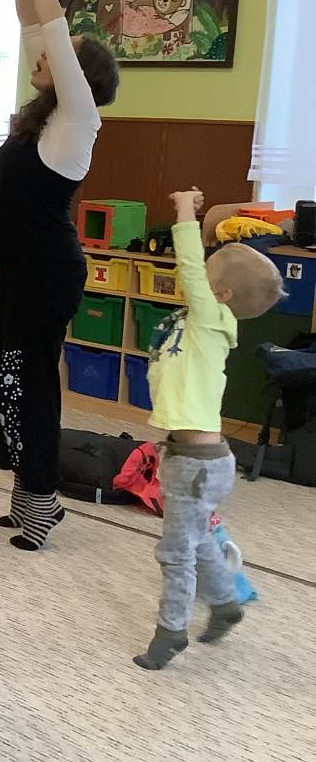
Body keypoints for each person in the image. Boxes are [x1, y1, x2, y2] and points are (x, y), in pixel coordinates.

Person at [0, 0, 121, 551]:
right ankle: (26, 489)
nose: (44, 54)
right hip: (20, 265)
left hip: (47, 272)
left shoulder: (77, 120)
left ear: (78, 75)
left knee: (32, 381)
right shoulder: (42, 117)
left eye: (62, 54)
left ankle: (42, 498)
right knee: (7, 376)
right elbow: (34, 24)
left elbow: (55, 28)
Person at [133, 189, 285, 670]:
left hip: (197, 467)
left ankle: (171, 632)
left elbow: (189, 266)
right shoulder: (200, 322)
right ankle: (225, 604)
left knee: (175, 553)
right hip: (190, 458)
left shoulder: (209, 320)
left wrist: (184, 211)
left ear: (221, 297)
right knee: (195, 541)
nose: (194, 280)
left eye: (205, 277)